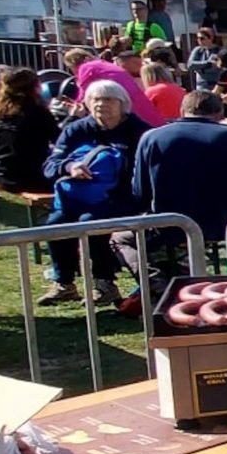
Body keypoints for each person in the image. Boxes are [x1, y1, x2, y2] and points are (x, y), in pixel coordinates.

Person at [126, 89, 227, 282]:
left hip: (168, 225)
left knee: (120, 239)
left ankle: (155, 282)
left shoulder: (151, 138)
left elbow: (140, 193)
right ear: (220, 113)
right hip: (226, 225)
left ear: (181, 110)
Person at [38, 81, 150, 306]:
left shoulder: (139, 132)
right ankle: (64, 283)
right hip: (79, 197)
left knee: (92, 223)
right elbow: (51, 164)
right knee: (56, 223)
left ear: (123, 104)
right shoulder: (77, 129)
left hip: (124, 197)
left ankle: (105, 284)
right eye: (95, 100)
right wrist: (70, 167)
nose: (101, 105)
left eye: (108, 99)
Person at [0, 67, 61, 194]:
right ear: (35, 87)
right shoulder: (38, 112)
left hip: (5, 179)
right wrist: (73, 118)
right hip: (35, 180)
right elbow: (61, 141)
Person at [139, 60, 187, 128]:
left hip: (164, 124)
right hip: (181, 122)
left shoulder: (151, 91)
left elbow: (145, 111)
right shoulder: (177, 88)